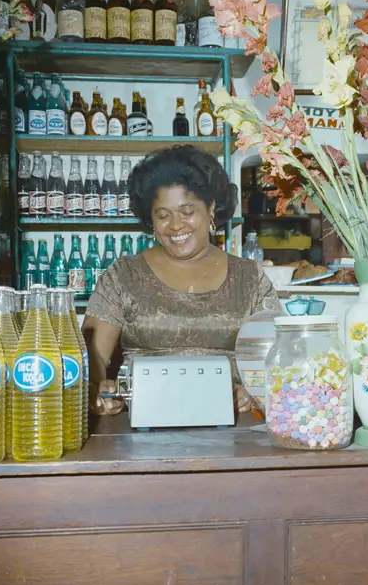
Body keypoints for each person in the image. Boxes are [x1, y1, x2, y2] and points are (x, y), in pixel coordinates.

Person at [83, 145, 281, 417]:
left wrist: (251, 392)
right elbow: (91, 354)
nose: (176, 225)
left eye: (187, 211)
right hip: (142, 421)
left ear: (211, 208)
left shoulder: (249, 277)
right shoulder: (123, 275)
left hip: (232, 425)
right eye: (163, 215)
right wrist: (98, 389)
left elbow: (277, 359)